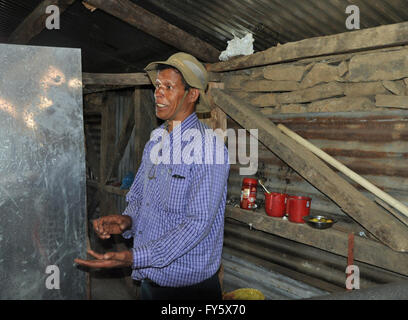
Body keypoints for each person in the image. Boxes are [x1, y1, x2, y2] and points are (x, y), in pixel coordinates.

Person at [75, 52, 230, 300]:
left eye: (168, 87)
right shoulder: (156, 140)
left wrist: (135, 256)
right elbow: (139, 199)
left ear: (192, 95)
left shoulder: (208, 149)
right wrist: (127, 221)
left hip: (188, 291)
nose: (158, 93)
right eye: (157, 85)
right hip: (150, 280)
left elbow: (196, 225)